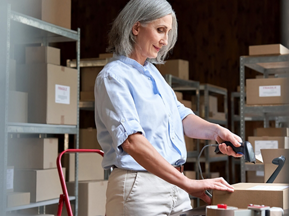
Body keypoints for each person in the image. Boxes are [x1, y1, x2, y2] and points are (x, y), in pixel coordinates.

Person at [94, 0, 243, 215]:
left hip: (175, 186)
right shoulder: (114, 77)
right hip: (140, 189)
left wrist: (216, 132)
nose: (165, 41)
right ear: (136, 28)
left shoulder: (153, 74)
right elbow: (132, 142)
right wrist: (188, 183)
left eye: (168, 32)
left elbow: (181, 117)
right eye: (160, 30)